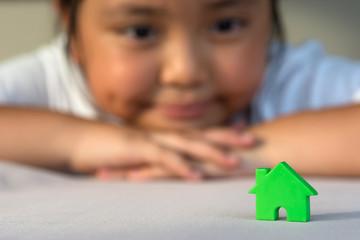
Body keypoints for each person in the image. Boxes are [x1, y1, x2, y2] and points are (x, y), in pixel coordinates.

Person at [0, 0, 360, 181]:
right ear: (70, 25)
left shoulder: (288, 77)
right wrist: (79, 141)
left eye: (225, 25)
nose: (185, 73)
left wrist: (237, 154)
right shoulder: (52, 79)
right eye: (140, 32)